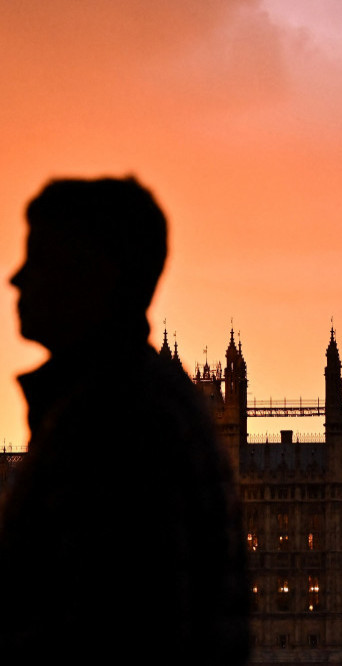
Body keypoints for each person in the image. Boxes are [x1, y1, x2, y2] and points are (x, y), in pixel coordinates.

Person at [0, 177, 250, 663]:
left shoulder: (119, 422)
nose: (17, 277)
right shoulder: (122, 401)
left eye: (39, 257)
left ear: (92, 275)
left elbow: (115, 633)